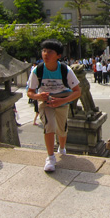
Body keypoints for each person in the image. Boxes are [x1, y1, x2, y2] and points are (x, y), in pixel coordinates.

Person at [27, 39, 81, 172]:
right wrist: (37, 97)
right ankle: (50, 157)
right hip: (45, 102)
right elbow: (30, 92)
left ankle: (62, 148)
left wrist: (62, 101)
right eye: (44, 51)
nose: (45, 54)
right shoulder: (37, 71)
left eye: (50, 52)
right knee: (49, 125)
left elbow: (78, 91)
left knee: (62, 129)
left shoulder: (65, 70)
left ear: (58, 55)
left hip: (62, 100)